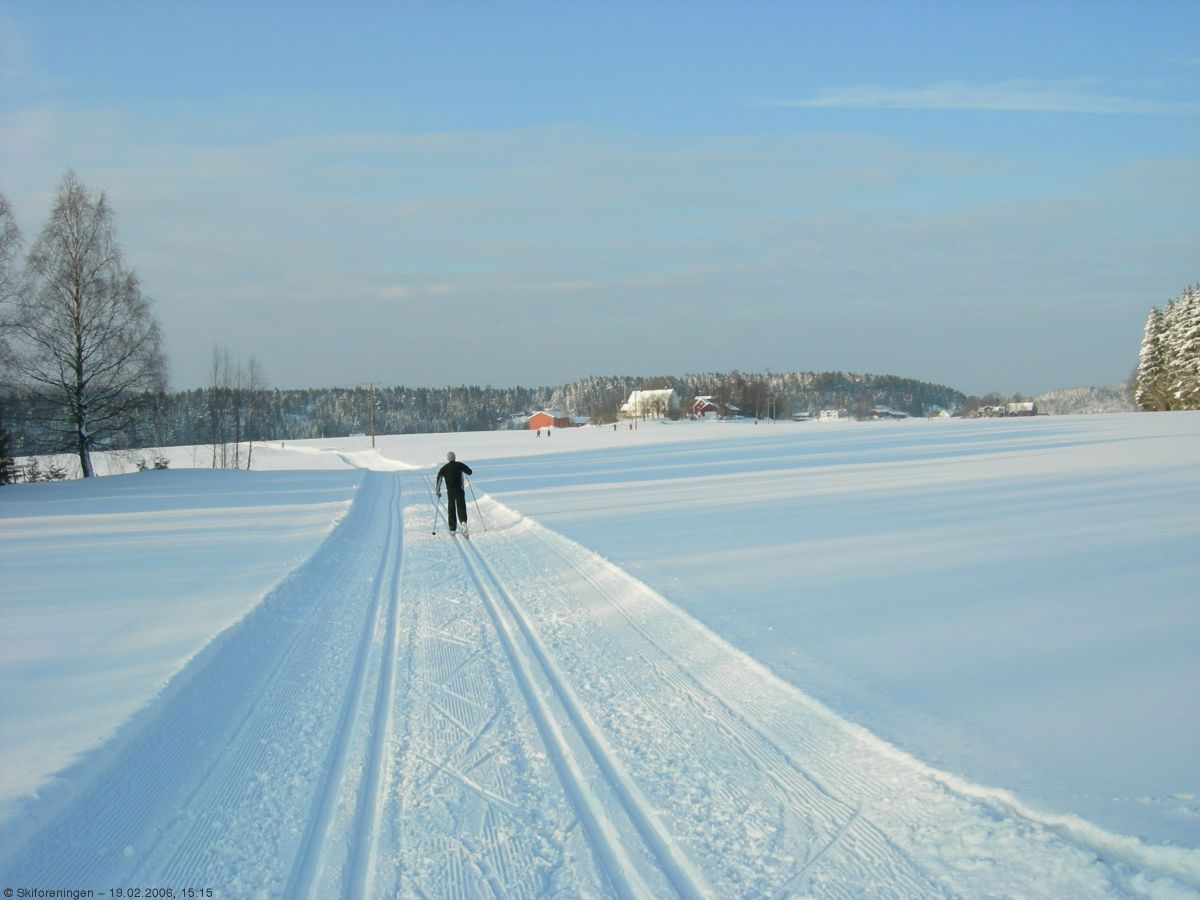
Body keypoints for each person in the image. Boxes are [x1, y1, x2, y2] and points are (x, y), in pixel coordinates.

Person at [436, 451, 473, 535]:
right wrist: (465, 470)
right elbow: (470, 472)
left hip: (451, 491)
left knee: (451, 508)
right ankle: (464, 523)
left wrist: (437, 491)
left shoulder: (444, 468)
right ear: (455, 457)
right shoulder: (459, 465)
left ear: (448, 458)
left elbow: (439, 479)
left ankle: (452, 528)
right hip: (460, 490)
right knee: (461, 506)